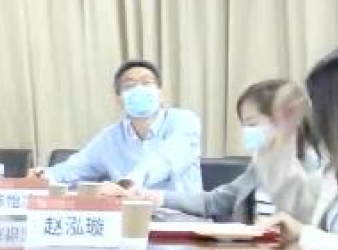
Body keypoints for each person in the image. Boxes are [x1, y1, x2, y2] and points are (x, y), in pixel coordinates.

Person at [134, 79, 318, 223]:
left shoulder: (315, 168)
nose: (247, 132)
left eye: (252, 123)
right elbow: (216, 202)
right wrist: (156, 197)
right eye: (244, 124)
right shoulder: (261, 165)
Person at [257, 45, 338, 250]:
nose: (311, 117)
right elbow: (296, 202)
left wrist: (305, 235)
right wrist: (282, 140)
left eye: (314, 105)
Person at [29, 59, 202, 195]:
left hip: (182, 218)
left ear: (161, 94)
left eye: (146, 83)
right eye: (130, 85)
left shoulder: (184, 121)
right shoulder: (110, 137)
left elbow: (166, 159)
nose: (139, 89)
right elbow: (76, 167)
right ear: (119, 99)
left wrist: (128, 183)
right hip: (129, 217)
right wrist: (43, 176)